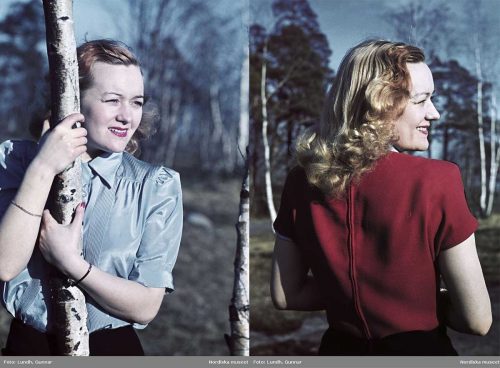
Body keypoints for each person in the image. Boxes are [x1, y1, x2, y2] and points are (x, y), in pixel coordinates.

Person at [271, 39, 492, 356]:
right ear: (380, 104)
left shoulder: (301, 181)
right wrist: (423, 298)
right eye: (421, 101)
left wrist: (350, 293)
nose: (436, 113)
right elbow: (477, 319)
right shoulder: (437, 180)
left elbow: (286, 294)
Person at [0, 40, 182, 356]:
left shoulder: (155, 185)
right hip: (28, 348)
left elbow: (145, 307)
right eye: (112, 100)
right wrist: (44, 166)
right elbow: (4, 265)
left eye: (136, 102)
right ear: (70, 99)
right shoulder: (16, 160)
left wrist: (71, 263)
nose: (127, 116)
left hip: (111, 350)